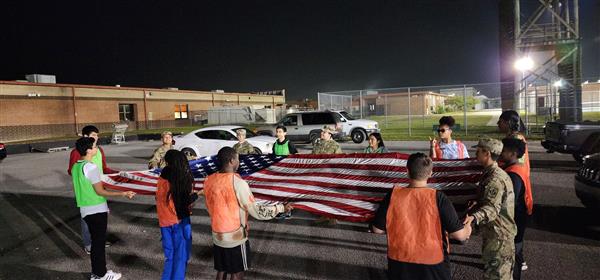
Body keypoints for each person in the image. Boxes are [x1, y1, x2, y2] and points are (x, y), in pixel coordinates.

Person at [371, 153, 472, 280]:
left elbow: (377, 229)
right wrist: (468, 228)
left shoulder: (393, 196)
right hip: (433, 265)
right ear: (430, 173)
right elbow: (459, 235)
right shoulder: (438, 198)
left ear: (407, 171)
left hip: (400, 263)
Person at [203, 147, 293, 280]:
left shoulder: (209, 180)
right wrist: (280, 208)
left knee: (221, 270)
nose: (239, 162)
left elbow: (208, 206)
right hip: (236, 238)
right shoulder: (238, 183)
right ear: (232, 160)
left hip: (218, 235)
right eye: (238, 159)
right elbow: (256, 211)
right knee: (237, 272)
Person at [72, 137, 136, 280]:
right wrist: (123, 193)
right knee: (99, 244)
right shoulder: (91, 167)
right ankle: (101, 274)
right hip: (96, 210)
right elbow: (100, 191)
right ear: (88, 150)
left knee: (96, 243)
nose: (97, 148)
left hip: (85, 209)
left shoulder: (77, 166)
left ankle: (97, 273)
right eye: (95, 146)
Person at [464, 138, 516, 280]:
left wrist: (474, 217)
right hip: (496, 235)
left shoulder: (495, 179)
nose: (475, 153)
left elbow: (492, 209)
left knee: (497, 276)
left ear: (487, 153)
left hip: (499, 238)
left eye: (478, 151)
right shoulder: (490, 173)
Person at [68, 125, 119, 254]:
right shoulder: (77, 152)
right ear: (85, 136)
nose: (96, 137)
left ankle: (99, 240)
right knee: (87, 220)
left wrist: (118, 174)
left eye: (97, 135)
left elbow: (104, 168)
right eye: (93, 135)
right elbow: (72, 170)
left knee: (101, 217)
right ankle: (88, 244)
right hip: (88, 192)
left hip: (99, 188)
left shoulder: (99, 150)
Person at [156, 150, 200, 280]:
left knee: (170, 256)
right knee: (181, 256)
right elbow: (183, 202)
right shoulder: (180, 177)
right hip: (179, 220)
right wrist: (198, 194)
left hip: (164, 221)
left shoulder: (163, 175)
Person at [500, 138, 533, 279]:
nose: (501, 153)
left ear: (513, 153)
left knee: (514, 251)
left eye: (504, 150)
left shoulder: (513, 174)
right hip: (519, 215)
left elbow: (510, 201)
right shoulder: (516, 167)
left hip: (515, 218)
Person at [497, 110, 530, 176]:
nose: (498, 124)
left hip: (516, 175)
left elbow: (517, 161)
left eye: (500, 121)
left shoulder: (516, 139)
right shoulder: (513, 137)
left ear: (508, 123)